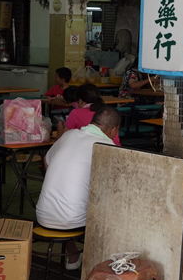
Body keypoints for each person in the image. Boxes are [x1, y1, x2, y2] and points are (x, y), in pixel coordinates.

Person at [36, 105, 122, 268]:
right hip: (73, 221)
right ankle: (100, 265)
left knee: (71, 203)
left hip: (43, 214)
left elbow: (46, 162)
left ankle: (73, 256)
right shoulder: (107, 146)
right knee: (110, 210)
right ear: (114, 130)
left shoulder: (69, 135)